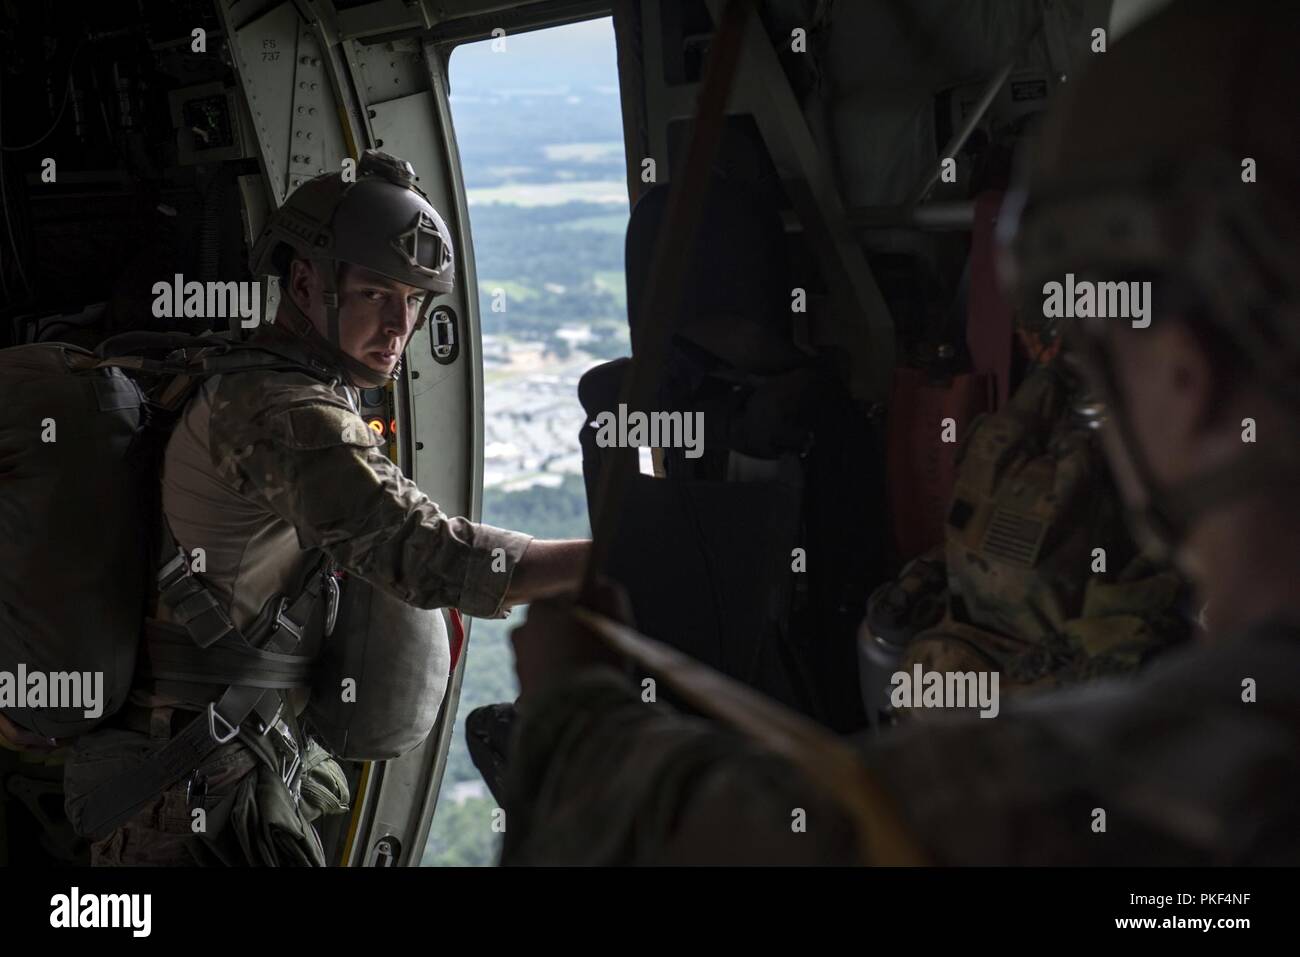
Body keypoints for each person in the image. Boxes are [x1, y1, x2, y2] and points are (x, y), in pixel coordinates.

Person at [495, 0, 1300, 865]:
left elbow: (769, 842)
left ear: (1186, 380)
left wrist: (572, 707)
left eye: (1105, 368)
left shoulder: (1172, 783)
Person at [56, 150, 589, 865]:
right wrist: (612, 558)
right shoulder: (278, 411)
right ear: (305, 282)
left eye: (417, 301)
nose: (400, 325)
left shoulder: (266, 381)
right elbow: (424, 552)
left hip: (215, 772)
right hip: (192, 797)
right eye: (376, 293)